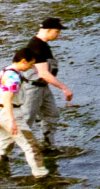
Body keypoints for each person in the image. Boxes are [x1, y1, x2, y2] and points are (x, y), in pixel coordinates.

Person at [0, 50, 50, 181]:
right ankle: (40, 174)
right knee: (30, 145)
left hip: (0, 112)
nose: (31, 67)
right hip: (10, 112)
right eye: (30, 64)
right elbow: (8, 99)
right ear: (23, 61)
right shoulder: (13, 77)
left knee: (1, 144)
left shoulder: (5, 71)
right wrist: (12, 121)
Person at [18, 16, 73, 152]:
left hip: (43, 87)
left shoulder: (43, 44)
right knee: (26, 120)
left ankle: (47, 146)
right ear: (48, 30)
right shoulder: (36, 46)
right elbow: (43, 73)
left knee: (51, 115)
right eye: (57, 32)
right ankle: (5, 152)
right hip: (33, 89)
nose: (59, 35)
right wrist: (64, 88)